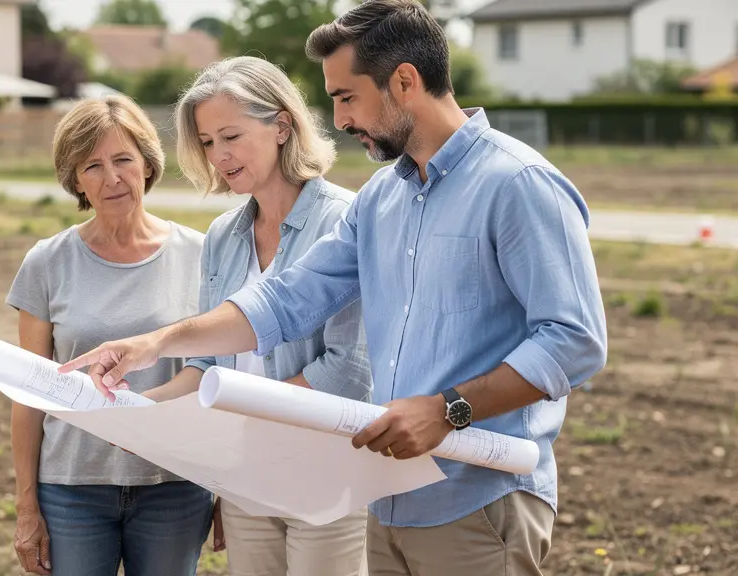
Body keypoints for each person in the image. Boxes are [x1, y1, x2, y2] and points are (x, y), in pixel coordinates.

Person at [58, 1, 609, 575]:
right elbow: (287, 299)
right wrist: (153, 344)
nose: (340, 119)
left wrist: (450, 410)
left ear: (403, 81)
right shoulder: (381, 199)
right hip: (389, 498)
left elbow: (573, 341)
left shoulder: (517, 184)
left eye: (347, 97)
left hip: (478, 497)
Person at [129, 55, 373, 576]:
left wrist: (245, 418)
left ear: (282, 125)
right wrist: (132, 410)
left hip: (327, 473)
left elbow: (349, 369)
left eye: (231, 136)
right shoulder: (222, 235)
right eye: (209, 142)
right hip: (247, 474)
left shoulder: (346, 220)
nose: (219, 155)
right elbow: (207, 368)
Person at [5, 94, 213, 576]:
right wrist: (26, 506)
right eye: (92, 166)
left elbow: (215, 380)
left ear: (147, 164)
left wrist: (222, 487)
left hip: (175, 485)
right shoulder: (47, 262)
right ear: (75, 179)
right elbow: (28, 395)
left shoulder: (200, 255)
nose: (112, 177)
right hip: (71, 490)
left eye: (123, 159)